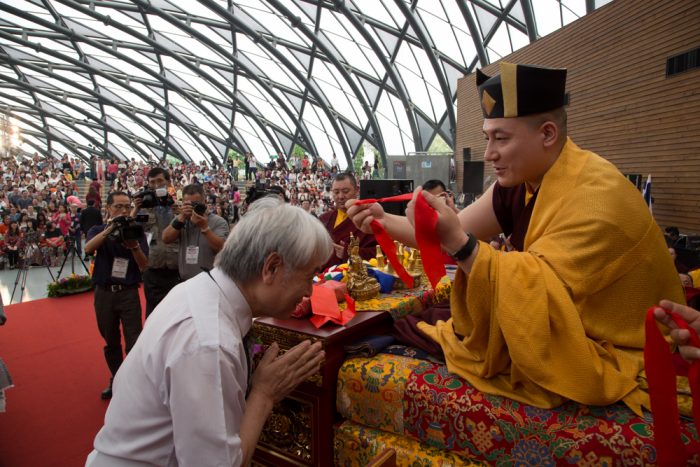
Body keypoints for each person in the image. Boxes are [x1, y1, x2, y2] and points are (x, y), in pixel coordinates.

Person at [347, 62, 683, 414]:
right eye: (487, 136)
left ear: (548, 134)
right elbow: (453, 229)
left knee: (432, 329)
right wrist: (384, 221)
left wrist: (462, 247)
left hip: (614, 341)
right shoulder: (524, 181)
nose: (489, 153)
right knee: (422, 321)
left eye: (501, 138)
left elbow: (537, 295)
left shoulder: (596, 196)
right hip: (555, 315)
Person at [86, 197, 329, 466]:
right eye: (309, 277)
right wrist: (264, 395)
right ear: (271, 268)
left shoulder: (199, 290)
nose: (309, 291)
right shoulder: (208, 342)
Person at [85, 191, 149, 399]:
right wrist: (111, 228)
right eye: (118, 207)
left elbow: (144, 265)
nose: (122, 211)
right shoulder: (98, 230)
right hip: (104, 293)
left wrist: (135, 247)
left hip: (128, 293)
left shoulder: (136, 231)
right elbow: (88, 248)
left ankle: (133, 381)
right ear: (108, 209)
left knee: (134, 339)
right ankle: (116, 377)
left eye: (125, 206)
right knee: (110, 340)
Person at [134, 167, 181, 318]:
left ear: (168, 182)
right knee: (154, 315)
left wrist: (179, 212)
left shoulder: (179, 205)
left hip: (177, 269)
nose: (156, 185)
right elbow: (132, 229)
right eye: (152, 182)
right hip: (153, 267)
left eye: (160, 180)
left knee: (177, 314)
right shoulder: (144, 208)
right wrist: (135, 209)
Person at [162, 184, 229, 281]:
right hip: (185, 281)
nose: (192, 208)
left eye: (196, 204)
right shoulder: (180, 220)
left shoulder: (218, 221)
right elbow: (166, 238)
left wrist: (205, 228)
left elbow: (222, 249)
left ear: (205, 202)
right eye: (188, 204)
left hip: (211, 282)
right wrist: (182, 217)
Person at [318, 172, 376, 271]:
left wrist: (349, 253)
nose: (340, 196)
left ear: (357, 190)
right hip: (323, 280)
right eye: (336, 192)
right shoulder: (324, 219)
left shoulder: (368, 219)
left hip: (353, 278)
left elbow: (380, 252)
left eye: (345, 191)